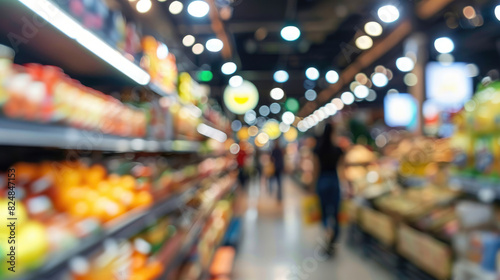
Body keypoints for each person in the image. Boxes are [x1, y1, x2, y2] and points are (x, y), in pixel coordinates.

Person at [313, 123, 347, 256]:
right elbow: (342, 170)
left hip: (322, 181)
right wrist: (346, 185)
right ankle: (333, 237)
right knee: (336, 211)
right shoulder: (338, 150)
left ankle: (328, 233)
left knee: (324, 212)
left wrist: (312, 186)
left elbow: (315, 169)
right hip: (334, 181)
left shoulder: (318, 149)